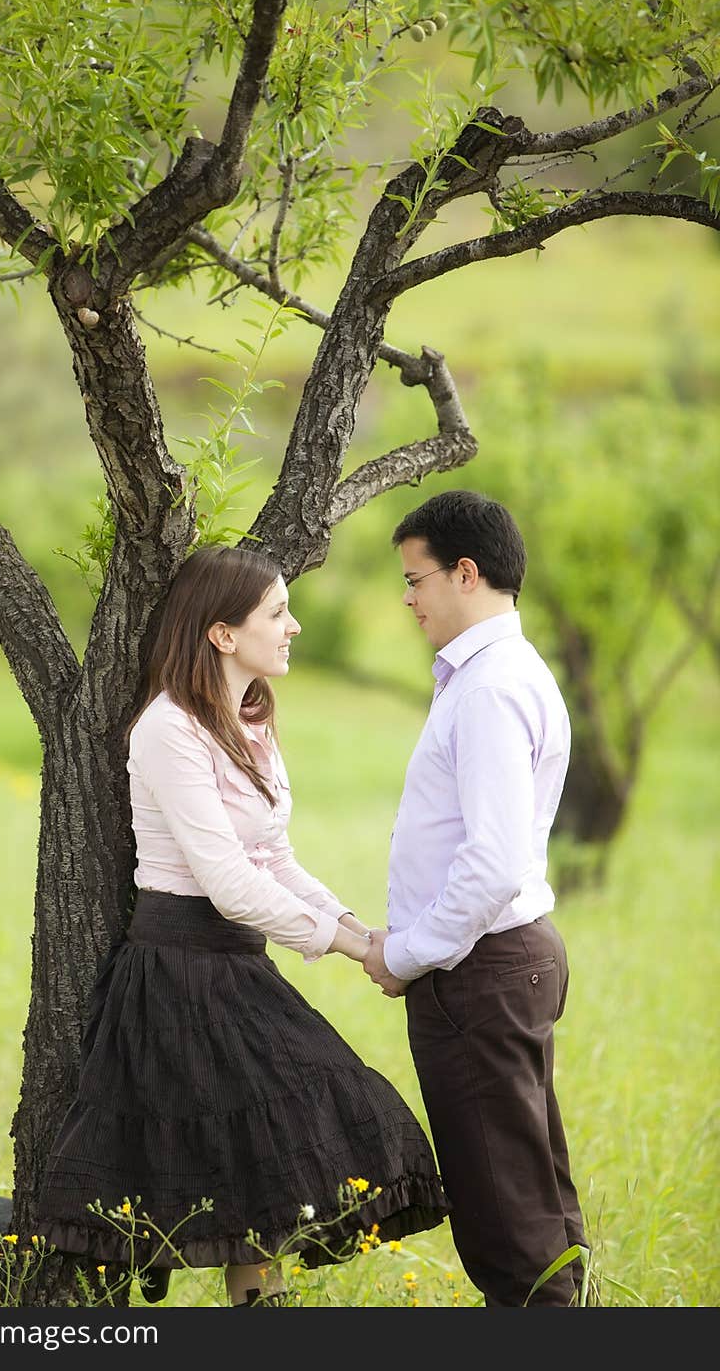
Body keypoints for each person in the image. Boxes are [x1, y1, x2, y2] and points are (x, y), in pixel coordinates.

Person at [36, 545, 448, 1307]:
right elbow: (227, 883)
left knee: (277, 1168)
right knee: (242, 1170)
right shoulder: (169, 728)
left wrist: (359, 929)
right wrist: (357, 947)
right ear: (222, 634)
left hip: (236, 963)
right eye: (276, 614)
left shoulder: (249, 718)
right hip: (179, 969)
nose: (292, 627)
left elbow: (274, 858)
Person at [362, 489, 588, 1308]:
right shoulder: (497, 674)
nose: (408, 597)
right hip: (500, 963)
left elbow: (491, 860)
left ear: (465, 572)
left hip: (480, 972)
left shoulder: (490, 687)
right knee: (535, 1201)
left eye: (415, 578)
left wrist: (409, 953)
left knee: (509, 1226)